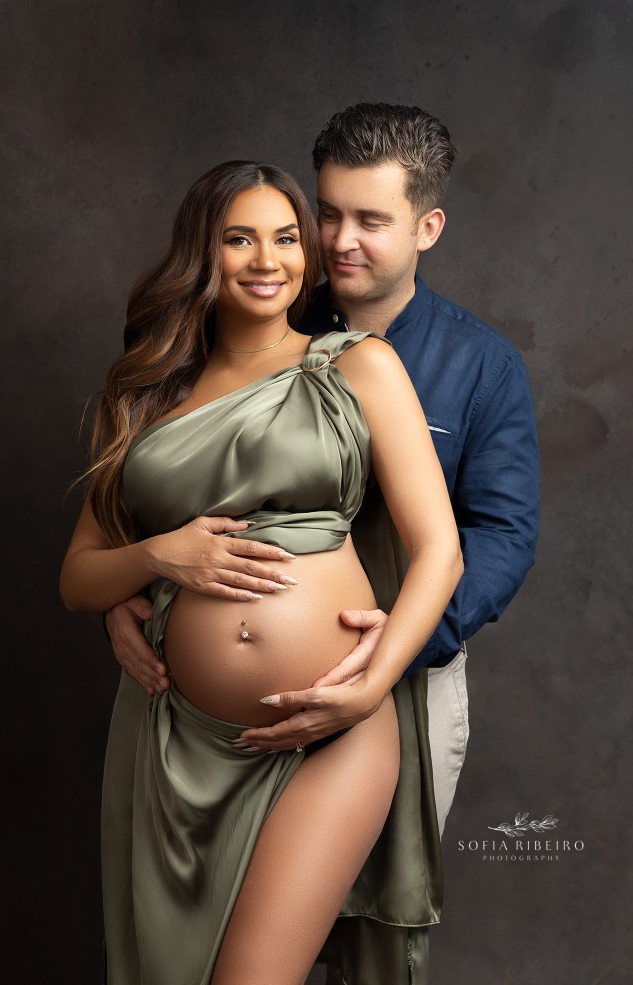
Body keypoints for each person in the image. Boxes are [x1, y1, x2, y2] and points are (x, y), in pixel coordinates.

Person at [60, 160, 463, 985]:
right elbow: (79, 579)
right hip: (176, 739)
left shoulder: (357, 366)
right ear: (201, 252)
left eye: (285, 238)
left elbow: (439, 550)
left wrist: (371, 683)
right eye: (239, 239)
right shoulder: (146, 393)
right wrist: (158, 555)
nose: (267, 260)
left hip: (332, 729)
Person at [106, 104, 540, 843]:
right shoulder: (254, 317)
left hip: (408, 677)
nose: (339, 241)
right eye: (328, 213)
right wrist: (126, 590)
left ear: (426, 228)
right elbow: (160, 473)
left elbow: (502, 535)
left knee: (378, 903)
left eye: (370, 221)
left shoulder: (482, 364)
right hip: (207, 707)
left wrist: (394, 650)